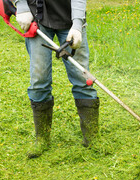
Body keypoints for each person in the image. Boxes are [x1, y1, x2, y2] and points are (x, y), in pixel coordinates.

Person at [15, 0, 99, 158]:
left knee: (83, 79)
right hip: (37, 18)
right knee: (39, 80)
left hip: (70, 19)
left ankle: (92, 138)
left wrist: (77, 24)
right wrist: (21, 5)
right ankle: (42, 139)